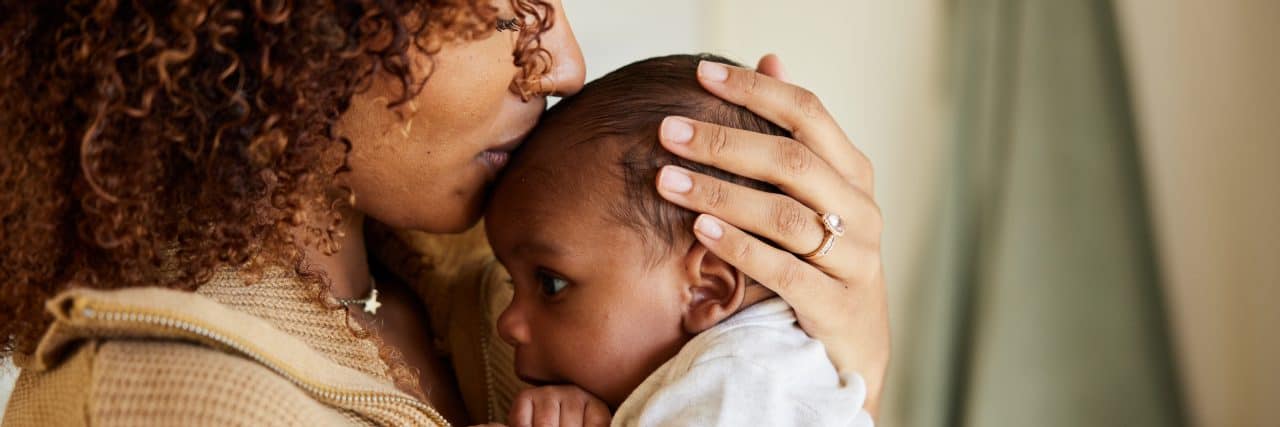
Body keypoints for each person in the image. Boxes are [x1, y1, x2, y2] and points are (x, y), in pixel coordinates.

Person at [0, 1, 888, 425]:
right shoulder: (162, 400)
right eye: (504, 6)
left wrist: (822, 351)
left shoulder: (497, 276)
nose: (562, 64)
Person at [485, 54, 874, 426]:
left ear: (707, 288)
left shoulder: (736, 384)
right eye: (511, 283)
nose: (507, 323)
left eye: (551, 284)